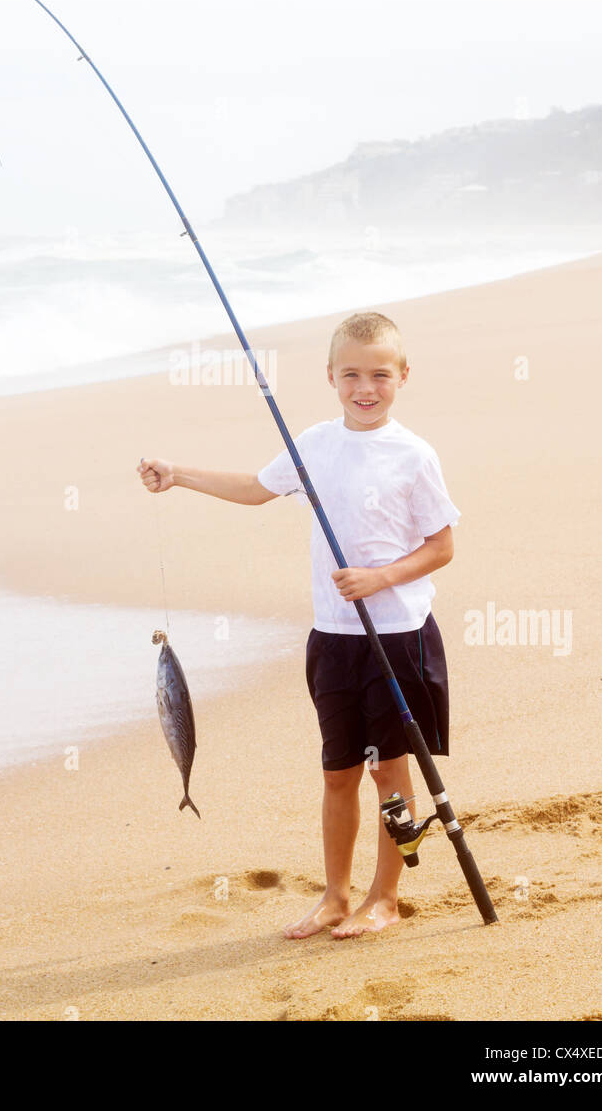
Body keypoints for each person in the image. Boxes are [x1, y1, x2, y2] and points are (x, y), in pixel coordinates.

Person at [137, 310, 459, 939]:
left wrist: (380, 576)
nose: (365, 388)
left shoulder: (415, 455)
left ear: (402, 376)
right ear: (331, 377)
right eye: (351, 375)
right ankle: (335, 897)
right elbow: (257, 489)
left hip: (398, 635)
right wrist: (178, 476)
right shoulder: (314, 443)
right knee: (338, 772)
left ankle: (385, 898)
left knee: (390, 771)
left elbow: (441, 546)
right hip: (333, 639)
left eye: (379, 375)